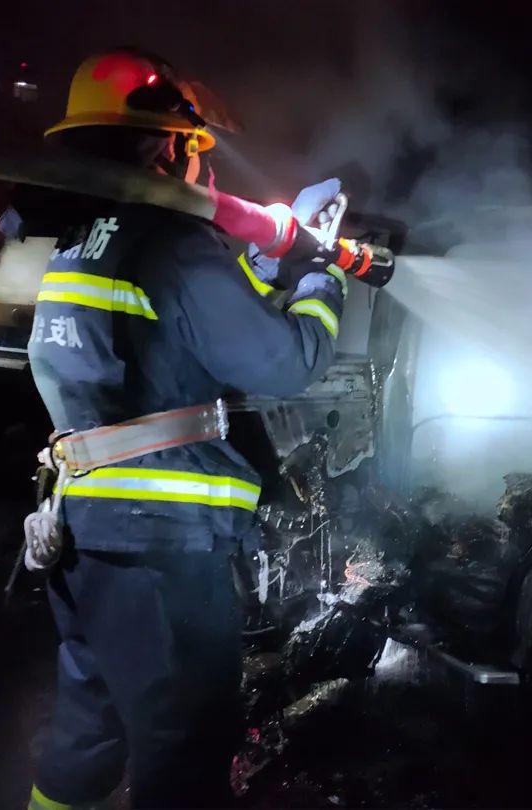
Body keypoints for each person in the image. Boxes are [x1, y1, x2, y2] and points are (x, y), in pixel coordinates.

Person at [25, 47, 345, 810]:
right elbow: (285, 362)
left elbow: (181, 327)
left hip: (86, 538)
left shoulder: (88, 237)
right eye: (199, 149)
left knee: (88, 734)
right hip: (159, 548)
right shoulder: (172, 242)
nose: (206, 169)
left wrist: (262, 269)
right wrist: (322, 275)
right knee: (185, 755)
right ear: (168, 148)